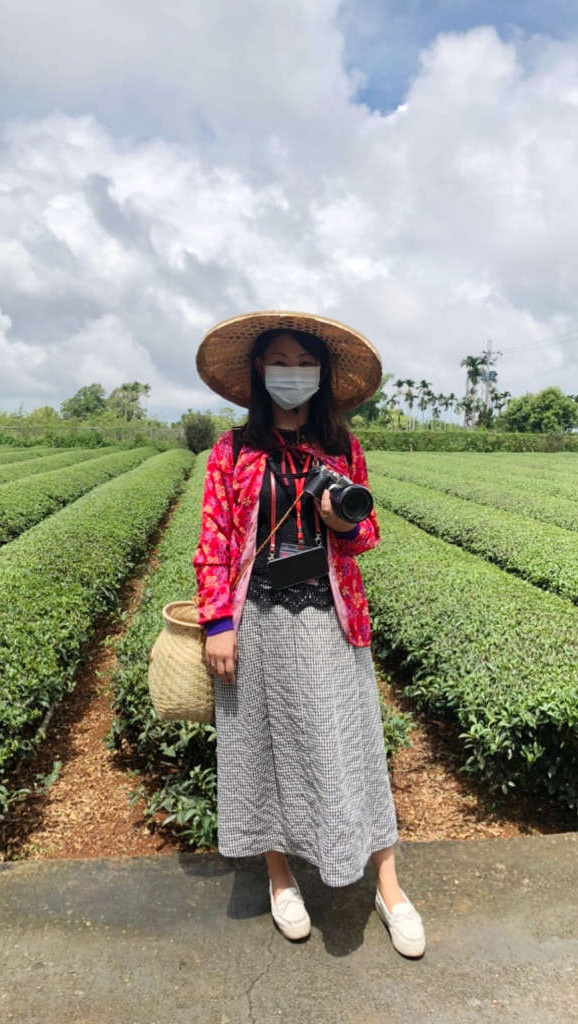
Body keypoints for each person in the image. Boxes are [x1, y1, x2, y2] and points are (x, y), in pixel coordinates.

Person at [193, 311, 425, 957]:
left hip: (329, 618)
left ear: (321, 376)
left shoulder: (344, 449)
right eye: (279, 362)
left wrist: (339, 521)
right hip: (256, 620)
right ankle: (280, 876)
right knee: (260, 747)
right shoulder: (231, 451)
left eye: (303, 363)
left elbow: (366, 539)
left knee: (350, 745)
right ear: (258, 371)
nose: (291, 374)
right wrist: (217, 623)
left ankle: (387, 883)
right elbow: (213, 543)